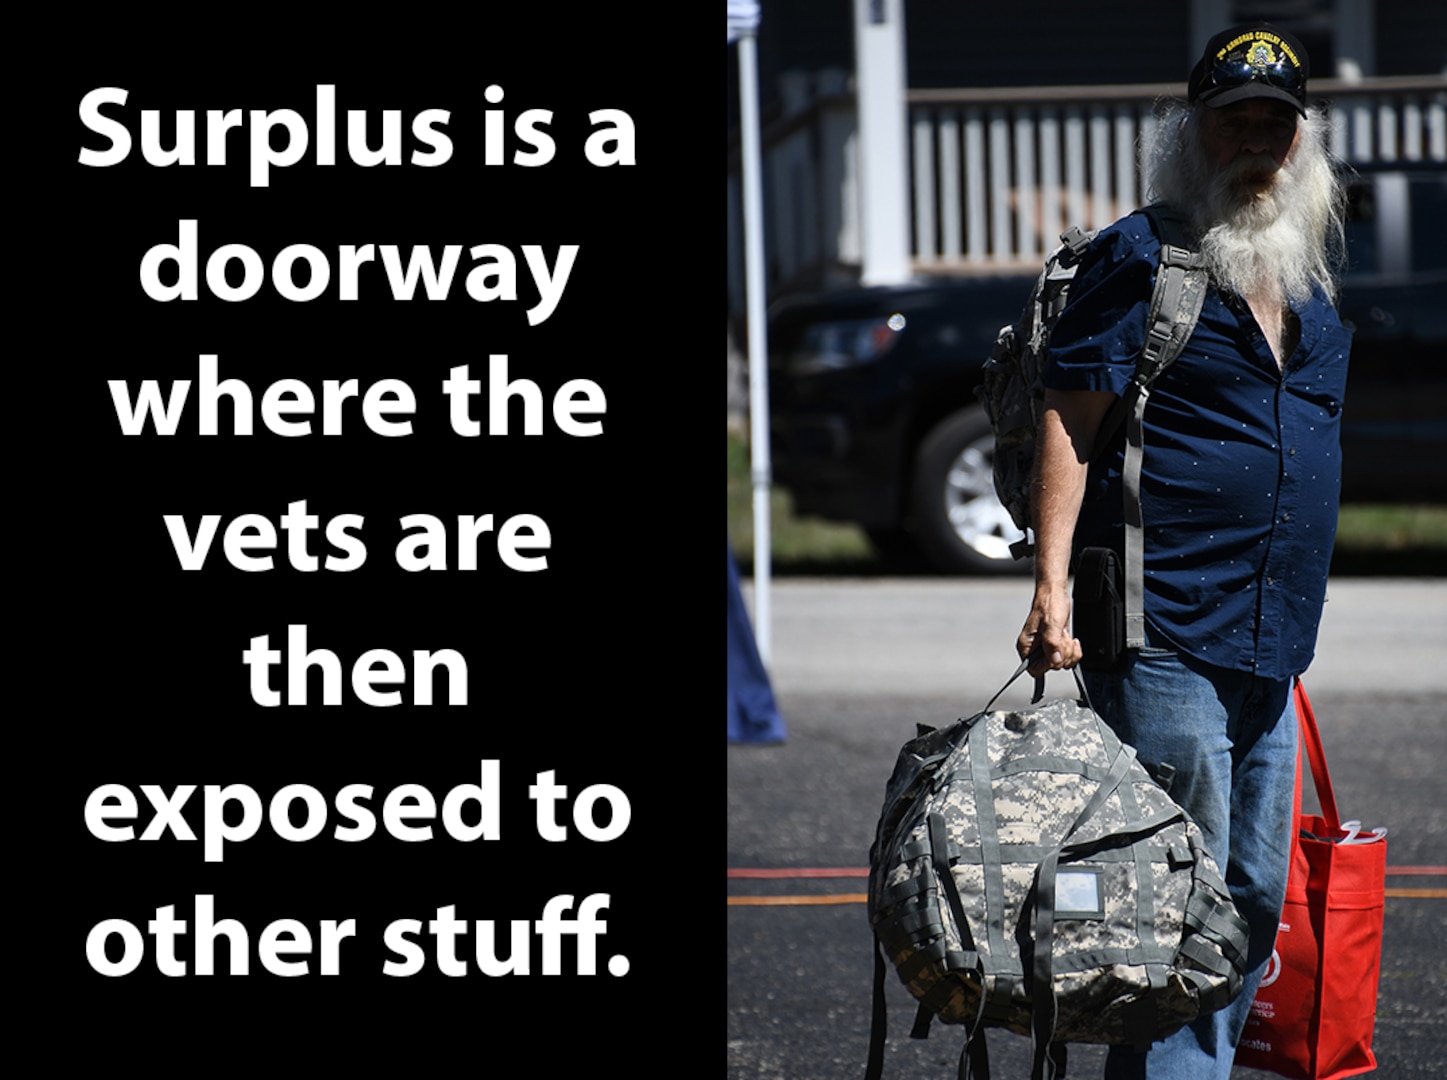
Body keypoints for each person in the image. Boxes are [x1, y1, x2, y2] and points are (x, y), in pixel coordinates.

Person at [1015, 23, 1350, 1079]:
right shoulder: (1143, 258)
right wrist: (1049, 590)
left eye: (1274, 123)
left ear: (1301, 143)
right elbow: (1068, 423)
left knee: (1250, 891)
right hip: (1159, 628)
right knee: (1171, 890)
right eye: (1232, 121)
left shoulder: (1306, 284)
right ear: (1190, 134)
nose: (1255, 140)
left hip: (1272, 634)